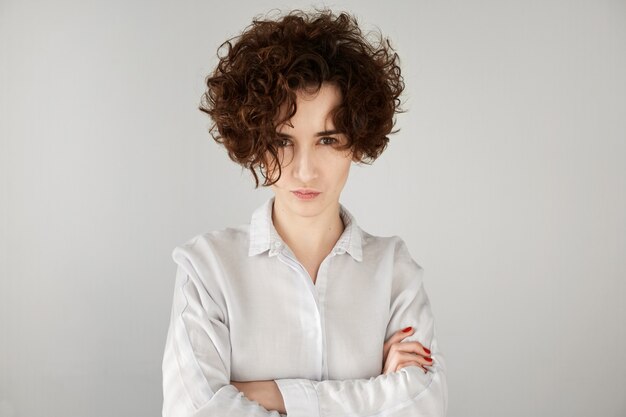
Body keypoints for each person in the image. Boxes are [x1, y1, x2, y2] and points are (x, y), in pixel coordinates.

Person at [162, 9, 448, 417]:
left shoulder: (394, 271)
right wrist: (377, 392)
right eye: (282, 140)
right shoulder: (207, 269)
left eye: (327, 139)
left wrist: (268, 395)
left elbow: (426, 406)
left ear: (357, 141)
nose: (305, 169)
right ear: (255, 142)